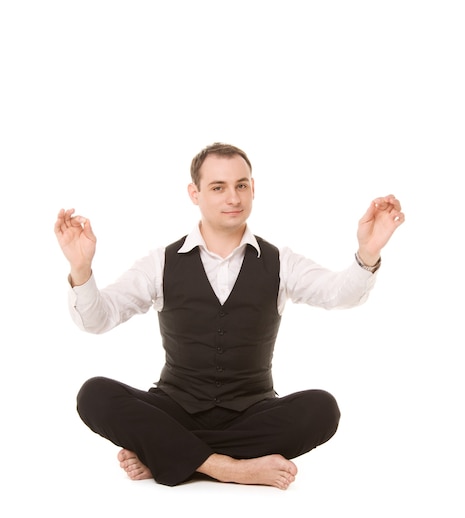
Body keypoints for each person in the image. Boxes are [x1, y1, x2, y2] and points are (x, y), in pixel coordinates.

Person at [54, 142, 405, 490]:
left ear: (253, 188)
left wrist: (367, 251)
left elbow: (339, 294)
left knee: (323, 409)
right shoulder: (160, 263)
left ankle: (168, 452)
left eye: (241, 185)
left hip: (251, 412)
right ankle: (228, 468)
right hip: (174, 408)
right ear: (195, 193)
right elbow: (97, 319)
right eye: (218, 187)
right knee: (94, 394)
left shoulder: (280, 262)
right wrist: (81, 268)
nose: (233, 198)